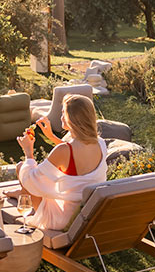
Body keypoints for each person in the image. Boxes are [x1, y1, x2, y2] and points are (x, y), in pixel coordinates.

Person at [11, 93, 107, 231]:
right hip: (86, 212)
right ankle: (20, 193)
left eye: (63, 113)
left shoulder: (63, 150)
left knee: (22, 168)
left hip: (62, 220)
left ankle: (24, 198)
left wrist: (28, 151)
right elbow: (76, 151)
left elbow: (31, 180)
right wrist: (51, 136)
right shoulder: (100, 143)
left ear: (71, 119)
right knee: (44, 179)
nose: (61, 117)